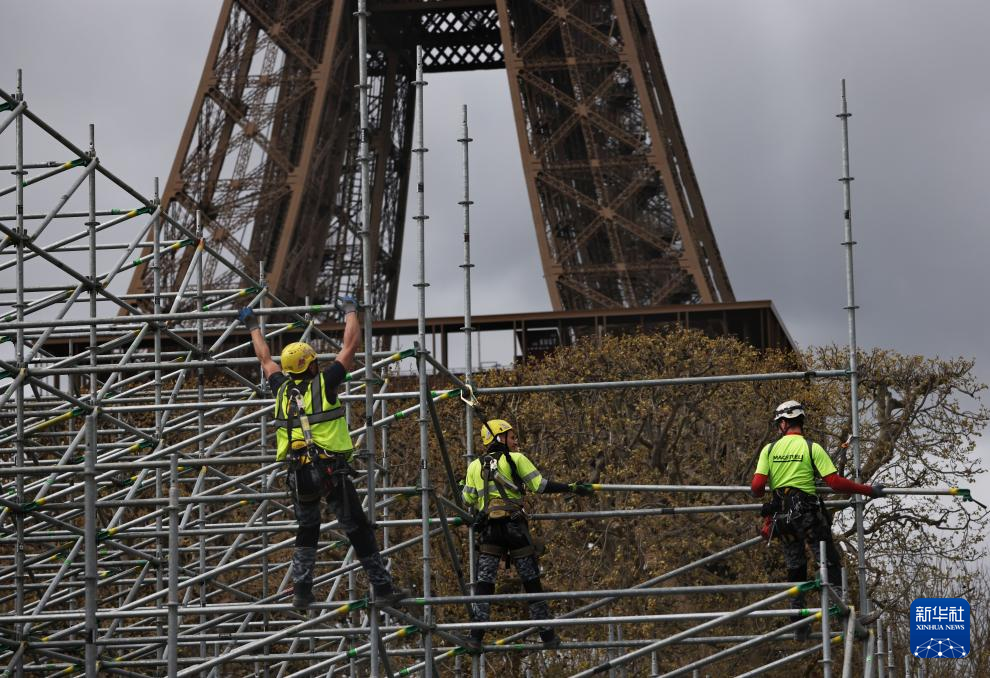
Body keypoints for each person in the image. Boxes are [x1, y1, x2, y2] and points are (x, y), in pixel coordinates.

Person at [239, 300, 408, 609]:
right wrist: (350, 312)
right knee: (357, 527)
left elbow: (264, 358)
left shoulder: (280, 389)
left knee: (307, 530)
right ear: (311, 364)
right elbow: (350, 345)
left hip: (299, 473)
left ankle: (302, 590)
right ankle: (382, 588)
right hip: (330, 469)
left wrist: (252, 326)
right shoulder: (325, 383)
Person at [751, 400, 884, 639]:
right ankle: (843, 616)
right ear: (799, 422)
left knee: (795, 567)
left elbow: (757, 488)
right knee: (829, 561)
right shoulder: (812, 448)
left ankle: (798, 621)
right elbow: (834, 483)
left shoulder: (769, 450)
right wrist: (868, 490)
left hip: (783, 519)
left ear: (783, 423)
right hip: (807, 516)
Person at [461, 418, 594, 651]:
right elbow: (540, 486)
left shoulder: (474, 466)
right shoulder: (517, 459)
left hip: (490, 532)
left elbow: (467, 499)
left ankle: (475, 637)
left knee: (484, 586)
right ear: (500, 438)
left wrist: (467, 483)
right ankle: (547, 636)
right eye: (512, 437)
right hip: (515, 530)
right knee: (531, 583)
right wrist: (571, 487)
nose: (515, 441)